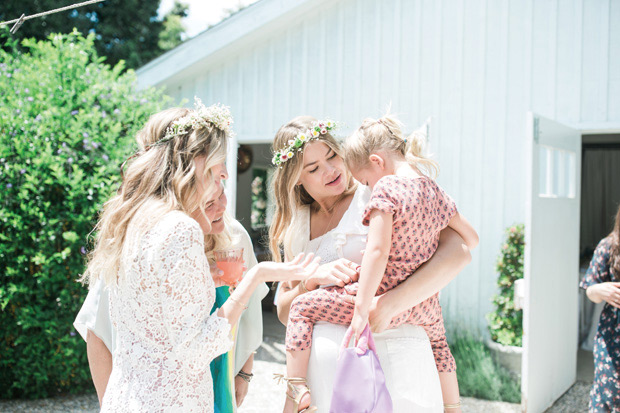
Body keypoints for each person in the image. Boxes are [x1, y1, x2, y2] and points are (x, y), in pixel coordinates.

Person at [80, 101, 319, 412]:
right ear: (195, 165)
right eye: (218, 176)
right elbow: (197, 350)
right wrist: (254, 279)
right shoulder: (180, 228)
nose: (222, 188)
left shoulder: (133, 222)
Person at [270, 116, 474, 412]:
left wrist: (391, 303)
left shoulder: (376, 189)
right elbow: (286, 312)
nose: (331, 170)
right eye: (313, 168)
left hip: (395, 362)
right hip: (327, 385)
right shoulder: (296, 227)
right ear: (295, 178)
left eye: (332, 156)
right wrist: (311, 280)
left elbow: (460, 251)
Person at [74, 193, 268, 411]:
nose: (221, 205)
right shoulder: (139, 242)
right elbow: (96, 331)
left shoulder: (233, 236)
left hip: (219, 378)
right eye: (209, 200)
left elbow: (249, 313)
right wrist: (110, 403)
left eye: (220, 191)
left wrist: (244, 373)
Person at [580, 204, 620, 412]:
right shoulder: (609, 246)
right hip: (613, 336)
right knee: (608, 393)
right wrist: (601, 290)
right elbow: (589, 290)